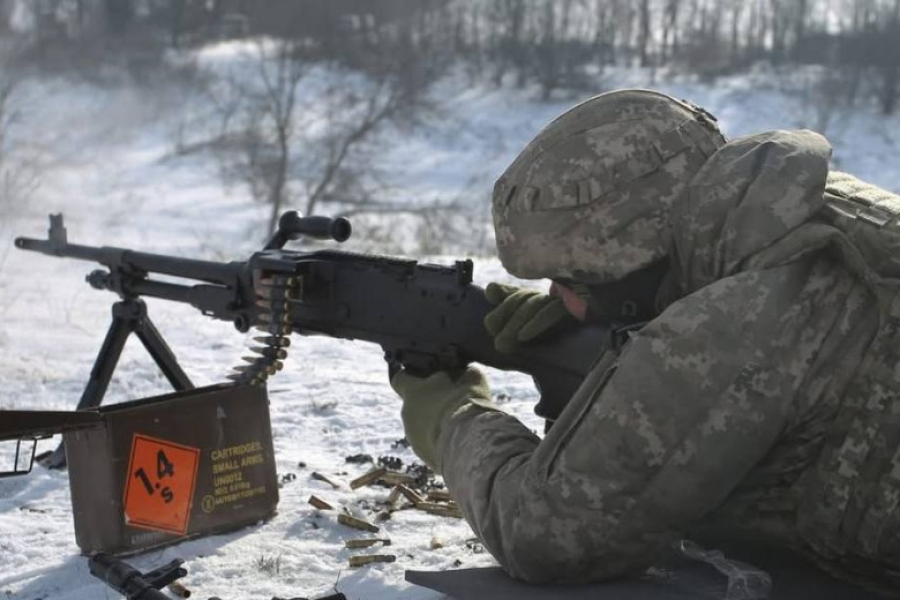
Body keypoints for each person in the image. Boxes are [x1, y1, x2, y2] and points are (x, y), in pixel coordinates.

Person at [389, 88, 900, 594]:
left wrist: (453, 417)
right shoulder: (797, 205)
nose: (560, 298)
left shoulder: (727, 324)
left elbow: (546, 535)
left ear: (631, 267)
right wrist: (613, 329)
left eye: (573, 281)